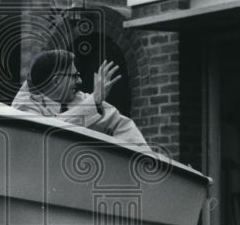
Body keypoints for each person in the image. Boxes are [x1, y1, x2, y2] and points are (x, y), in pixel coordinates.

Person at [12, 49, 150, 150]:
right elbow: (47, 134)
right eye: (74, 76)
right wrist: (94, 100)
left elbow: (121, 125)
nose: (80, 80)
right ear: (57, 81)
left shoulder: (77, 98)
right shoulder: (23, 107)